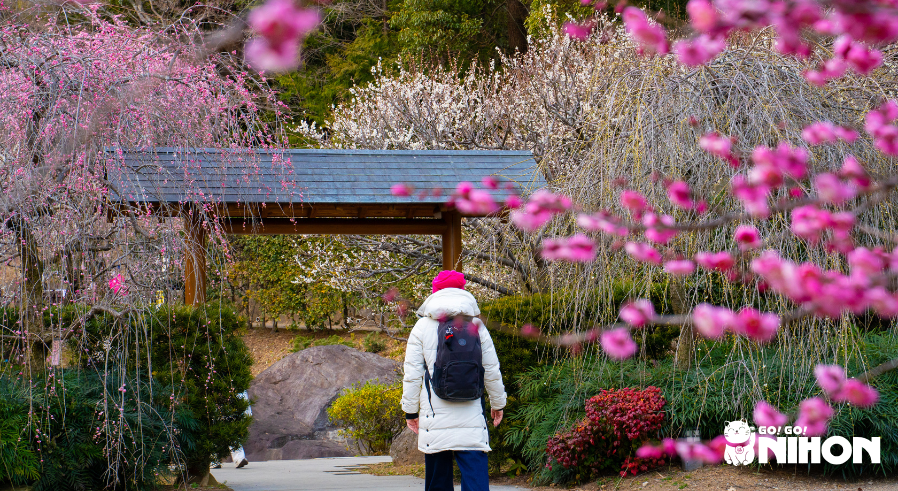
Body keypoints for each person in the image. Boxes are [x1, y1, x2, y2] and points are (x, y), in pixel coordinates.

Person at [401, 270, 506, 491]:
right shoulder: (477, 325)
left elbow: (411, 375)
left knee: (438, 482)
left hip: (435, 418)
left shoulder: (422, 327)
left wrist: (411, 412)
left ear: (434, 293)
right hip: (472, 418)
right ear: (463, 291)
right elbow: (491, 369)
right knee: (476, 482)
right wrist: (498, 403)